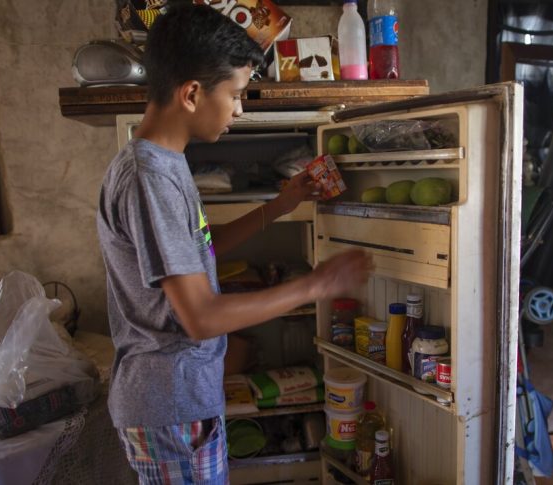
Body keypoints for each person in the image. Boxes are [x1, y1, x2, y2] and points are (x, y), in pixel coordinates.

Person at [96, 4, 374, 484]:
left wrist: (279, 206)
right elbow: (200, 317)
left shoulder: (165, 161)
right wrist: (315, 285)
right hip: (170, 406)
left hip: (181, 399)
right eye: (237, 95)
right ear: (191, 93)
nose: (239, 109)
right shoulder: (150, 178)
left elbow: (198, 250)